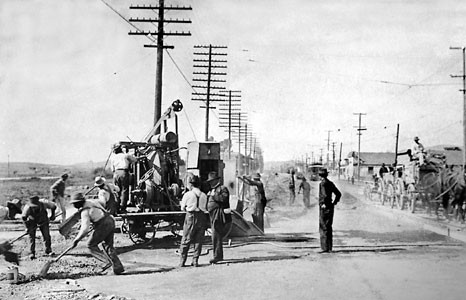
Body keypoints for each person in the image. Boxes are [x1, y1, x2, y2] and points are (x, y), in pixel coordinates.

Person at [70, 192, 124, 275]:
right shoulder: (91, 202)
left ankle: (106, 262)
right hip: (110, 220)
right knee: (108, 245)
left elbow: (84, 229)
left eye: (74, 204)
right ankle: (118, 267)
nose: (73, 206)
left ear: (78, 203)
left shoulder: (85, 211)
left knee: (90, 245)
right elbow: (102, 205)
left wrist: (76, 240)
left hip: (104, 224)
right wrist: (96, 220)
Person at [178, 175, 208, 267]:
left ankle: (182, 261)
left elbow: (182, 208)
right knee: (198, 240)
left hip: (190, 216)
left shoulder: (188, 194)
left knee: (186, 238)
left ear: (191, 185)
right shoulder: (204, 195)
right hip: (201, 217)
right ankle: (195, 261)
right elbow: (205, 208)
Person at [206, 171, 231, 264]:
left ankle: (217, 256)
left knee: (216, 235)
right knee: (215, 235)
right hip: (214, 214)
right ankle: (217, 255)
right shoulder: (213, 190)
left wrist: (213, 195)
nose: (210, 183)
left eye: (212, 181)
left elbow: (224, 199)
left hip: (219, 215)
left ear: (216, 180)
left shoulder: (222, 188)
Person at [317, 168, 341, 253]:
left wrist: (323, 203)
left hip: (324, 207)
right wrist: (334, 202)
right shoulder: (330, 183)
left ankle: (325, 248)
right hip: (330, 206)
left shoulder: (322, 184)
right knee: (329, 227)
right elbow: (338, 194)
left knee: (323, 227)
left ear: (320, 176)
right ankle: (329, 247)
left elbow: (325, 195)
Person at [111, 144, 137, 213]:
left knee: (117, 190)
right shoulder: (126, 155)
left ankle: (116, 208)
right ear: (121, 149)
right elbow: (135, 160)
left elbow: (112, 169)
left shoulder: (113, 157)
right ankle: (122, 208)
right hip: (123, 172)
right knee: (124, 190)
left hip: (116, 173)